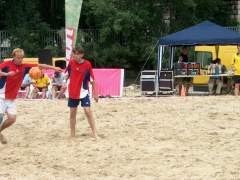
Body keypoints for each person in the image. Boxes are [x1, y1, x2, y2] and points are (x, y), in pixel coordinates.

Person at [0, 48, 61, 144]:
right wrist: (7, 74)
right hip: (1, 95)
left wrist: (54, 68)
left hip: (11, 97)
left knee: (12, 119)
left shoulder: (24, 66)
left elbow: (41, 65)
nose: (20, 60)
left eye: (21, 58)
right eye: (18, 58)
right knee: (0, 117)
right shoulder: (6, 64)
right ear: (14, 57)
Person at [66, 46, 98, 138]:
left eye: (75, 54)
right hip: (73, 92)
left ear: (81, 55)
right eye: (73, 53)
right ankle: (72, 135)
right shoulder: (71, 63)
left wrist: (95, 93)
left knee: (88, 111)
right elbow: (66, 75)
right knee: (72, 113)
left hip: (83, 92)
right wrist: (64, 79)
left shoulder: (87, 64)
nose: (73, 55)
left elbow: (92, 80)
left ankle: (95, 133)